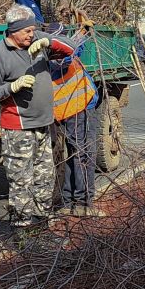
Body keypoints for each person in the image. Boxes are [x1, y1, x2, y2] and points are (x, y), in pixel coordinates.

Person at [0, 5, 75, 228]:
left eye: (33, 30)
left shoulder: (37, 40)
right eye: (27, 32)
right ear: (13, 31)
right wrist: (12, 87)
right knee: (21, 180)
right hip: (18, 127)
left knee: (44, 177)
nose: (32, 35)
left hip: (43, 124)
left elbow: (71, 48)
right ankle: (23, 228)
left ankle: (42, 221)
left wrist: (48, 42)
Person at [51, 46, 100, 217]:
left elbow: (76, 46)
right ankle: (83, 203)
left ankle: (68, 201)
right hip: (77, 110)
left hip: (72, 110)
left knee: (73, 155)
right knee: (84, 155)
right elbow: (72, 48)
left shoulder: (49, 56)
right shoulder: (59, 58)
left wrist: (82, 30)